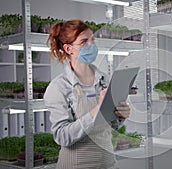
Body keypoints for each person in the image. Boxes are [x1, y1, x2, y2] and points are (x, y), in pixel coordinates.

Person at [44, 19, 130, 169]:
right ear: (69, 49)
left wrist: (120, 116)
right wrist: (97, 109)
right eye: (84, 41)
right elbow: (62, 136)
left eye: (92, 40)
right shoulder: (59, 87)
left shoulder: (104, 80)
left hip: (107, 163)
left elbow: (110, 125)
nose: (91, 45)